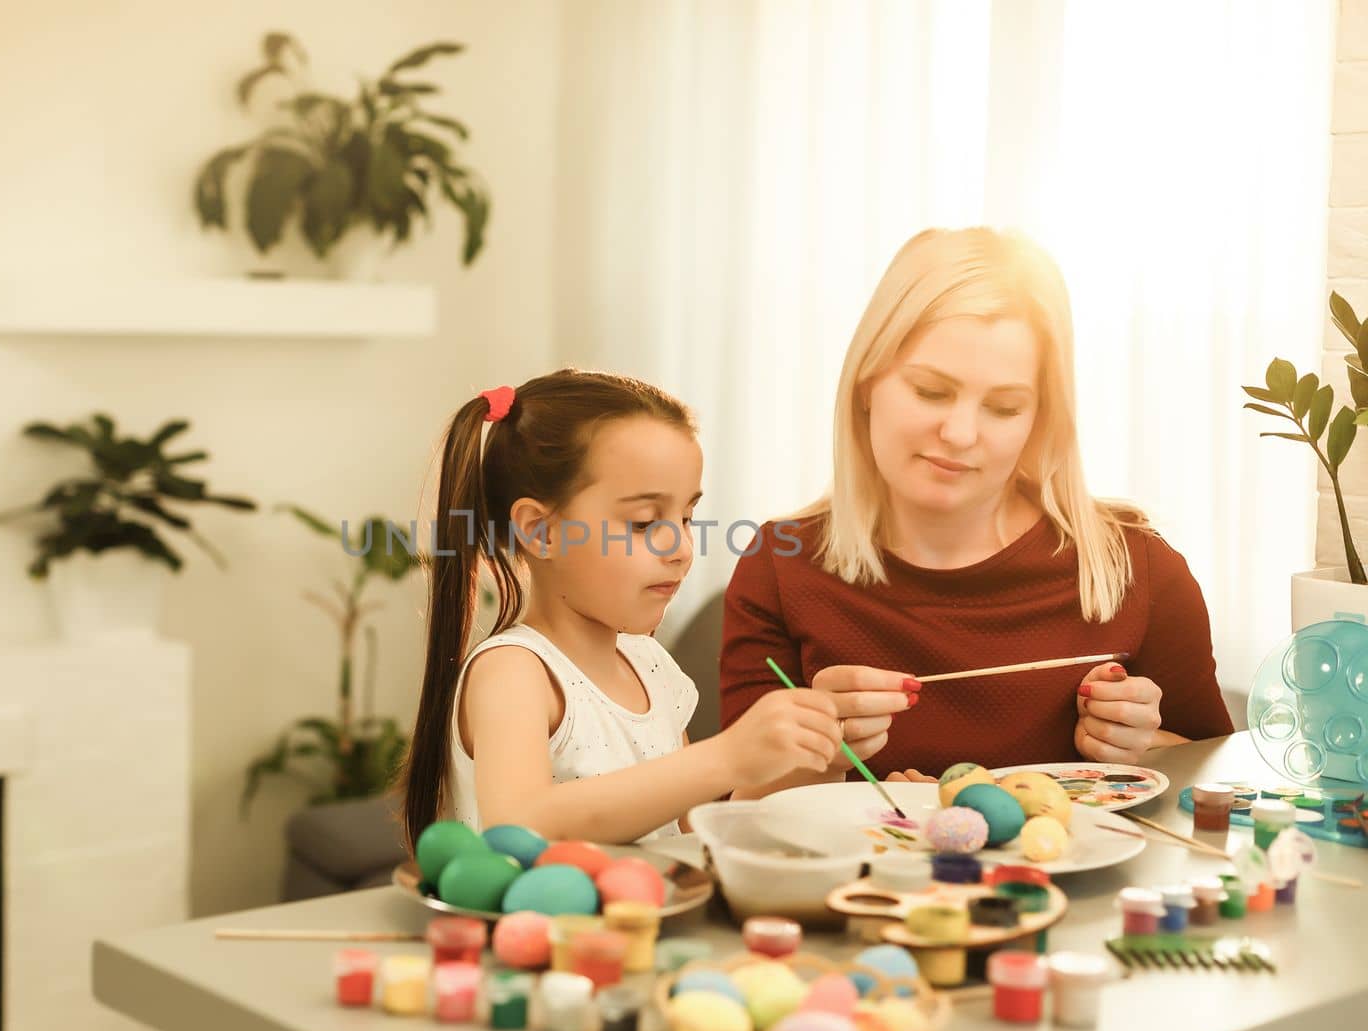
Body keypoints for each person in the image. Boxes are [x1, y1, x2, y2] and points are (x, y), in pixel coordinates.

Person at [719, 227, 1233, 796]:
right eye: (931, 392)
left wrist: (1145, 748)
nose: (960, 433)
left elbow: (1218, 790)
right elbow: (728, 814)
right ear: (867, 382)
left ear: (1040, 417)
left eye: (1004, 406)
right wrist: (814, 759)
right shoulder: (781, 563)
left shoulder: (1136, 567)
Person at [397, 369, 847, 849]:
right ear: (541, 531)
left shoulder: (650, 665)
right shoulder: (514, 672)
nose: (680, 546)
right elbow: (519, 827)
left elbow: (694, 839)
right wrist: (726, 757)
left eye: (687, 516)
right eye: (643, 522)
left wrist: (814, 755)